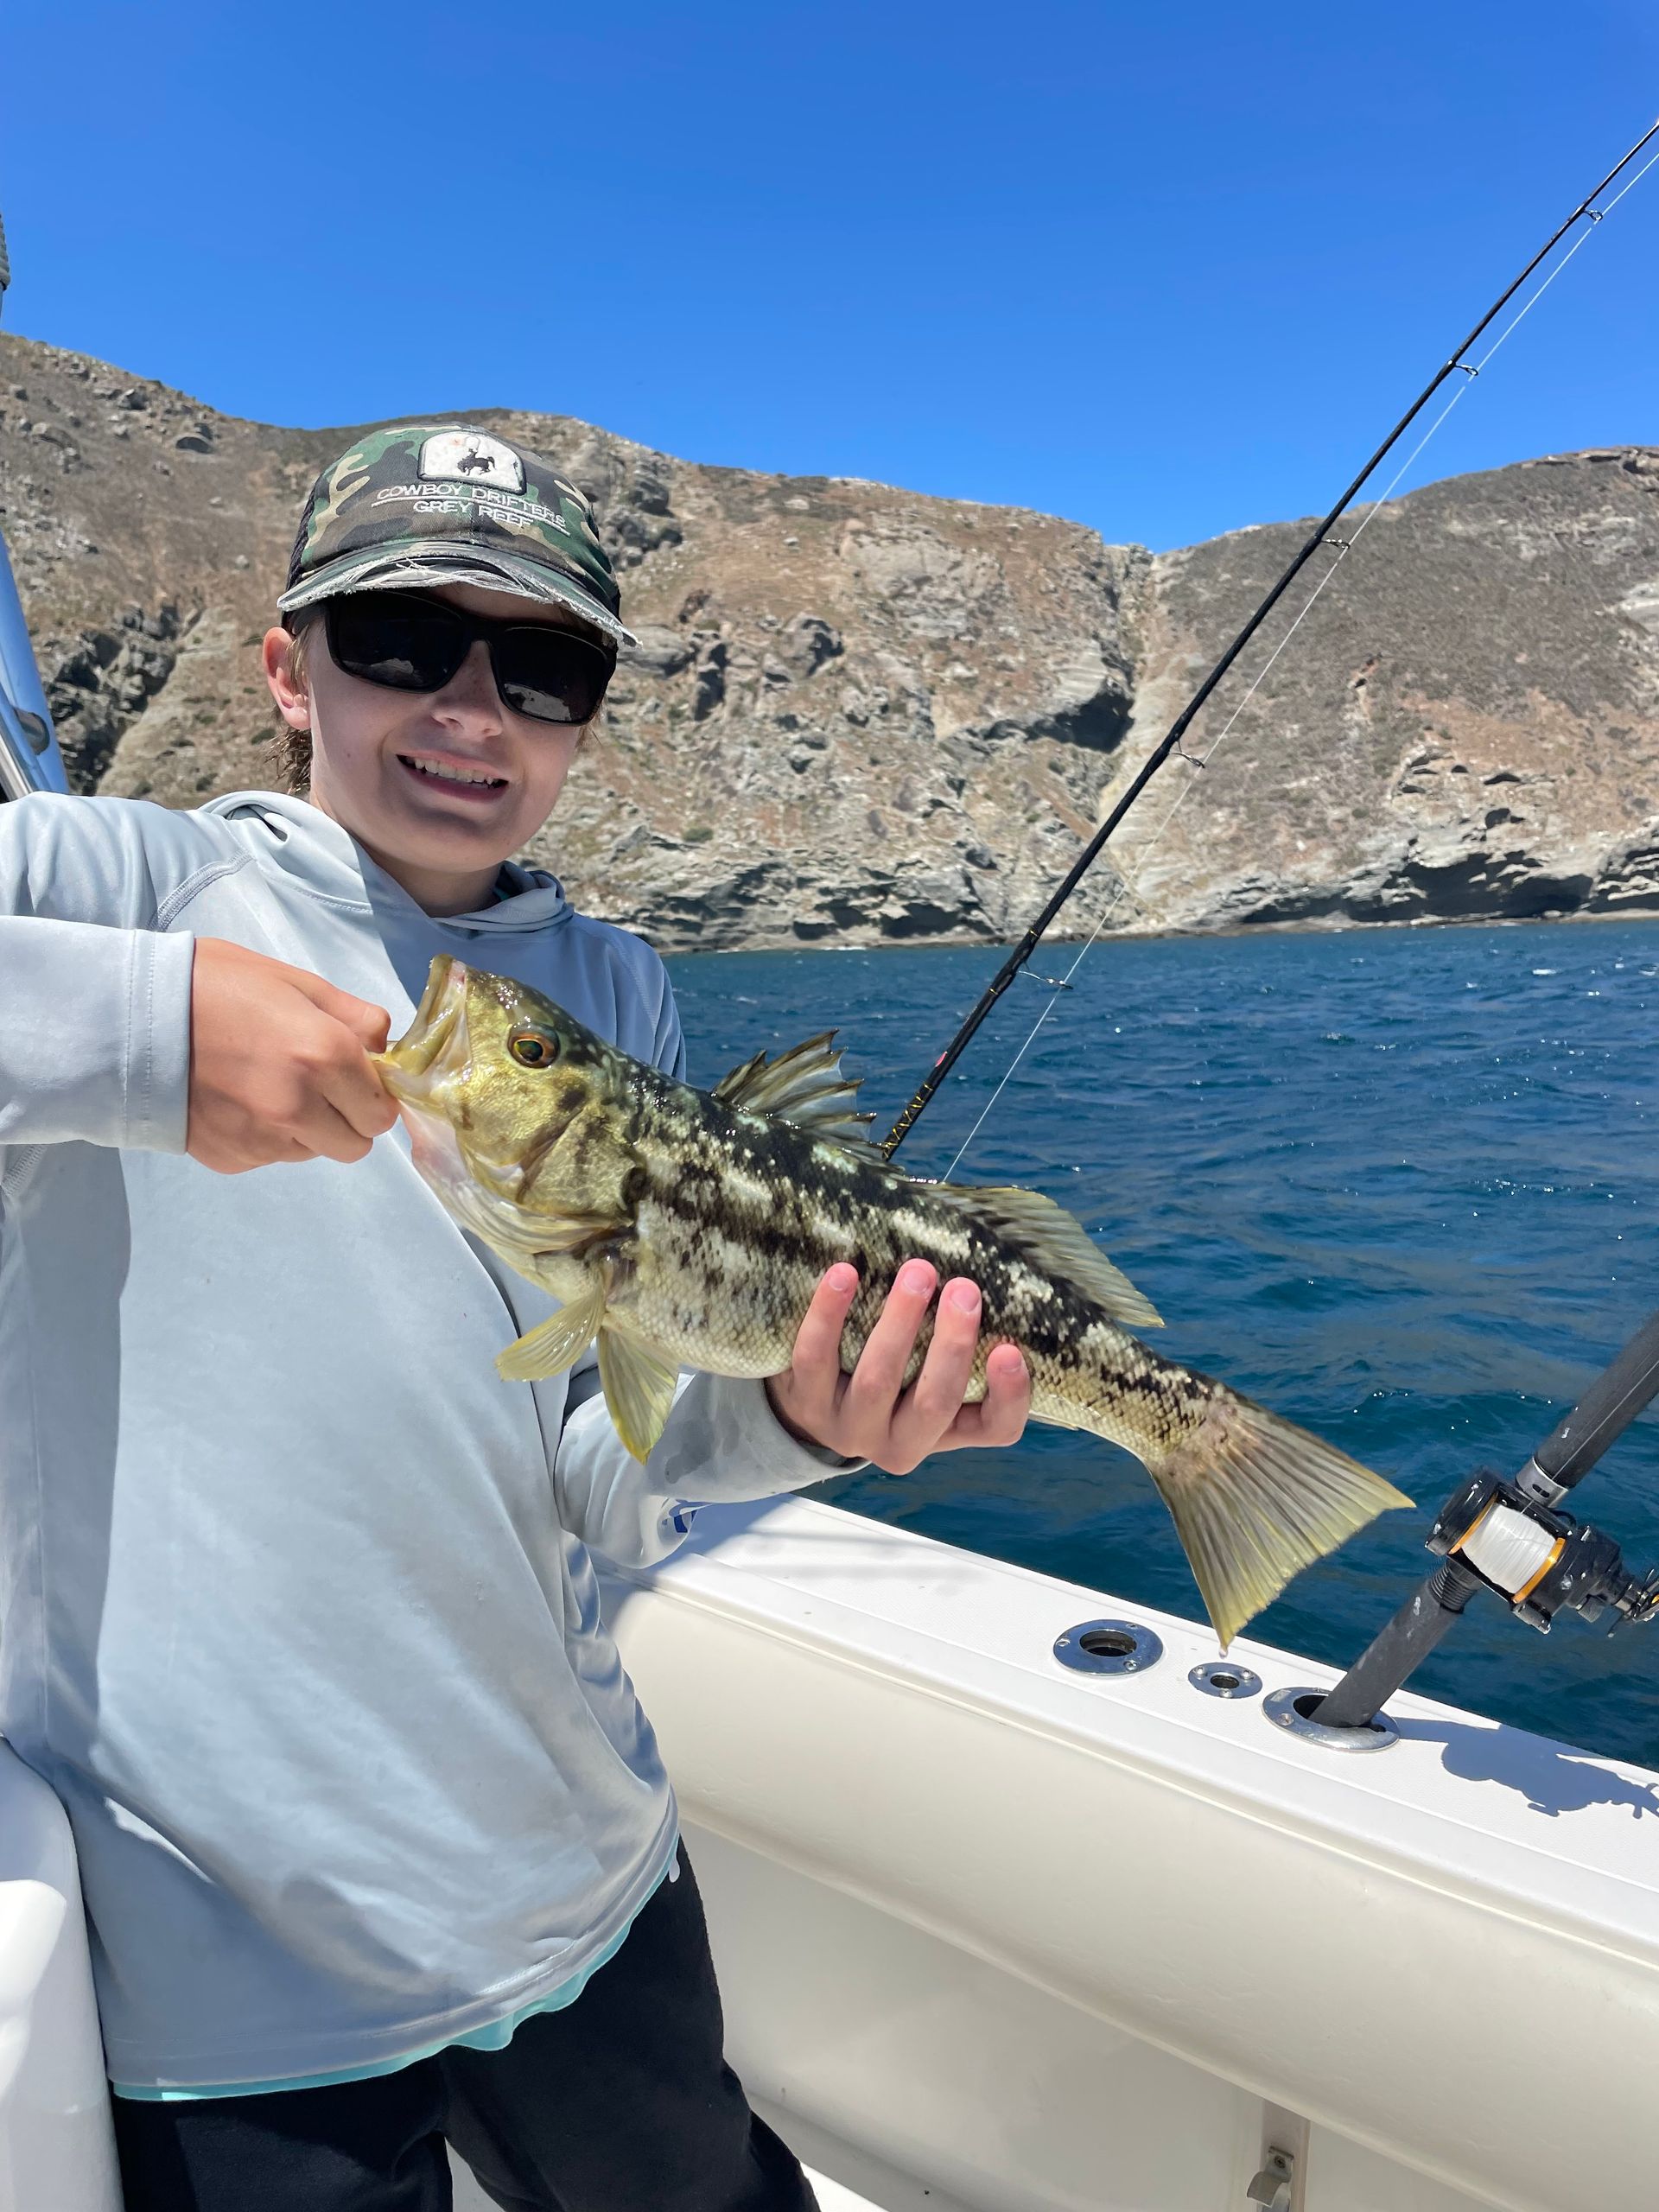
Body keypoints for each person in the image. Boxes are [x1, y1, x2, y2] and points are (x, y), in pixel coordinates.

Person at [0, 422, 1032, 2211]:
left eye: (541, 667)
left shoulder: (616, 984)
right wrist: (146, 1035)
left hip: (578, 1870)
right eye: (401, 637)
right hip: (232, 1951)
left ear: (581, 723)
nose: (470, 708)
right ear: (286, 665)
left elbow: (608, 1467)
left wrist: (796, 1418)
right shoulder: (124, 889)